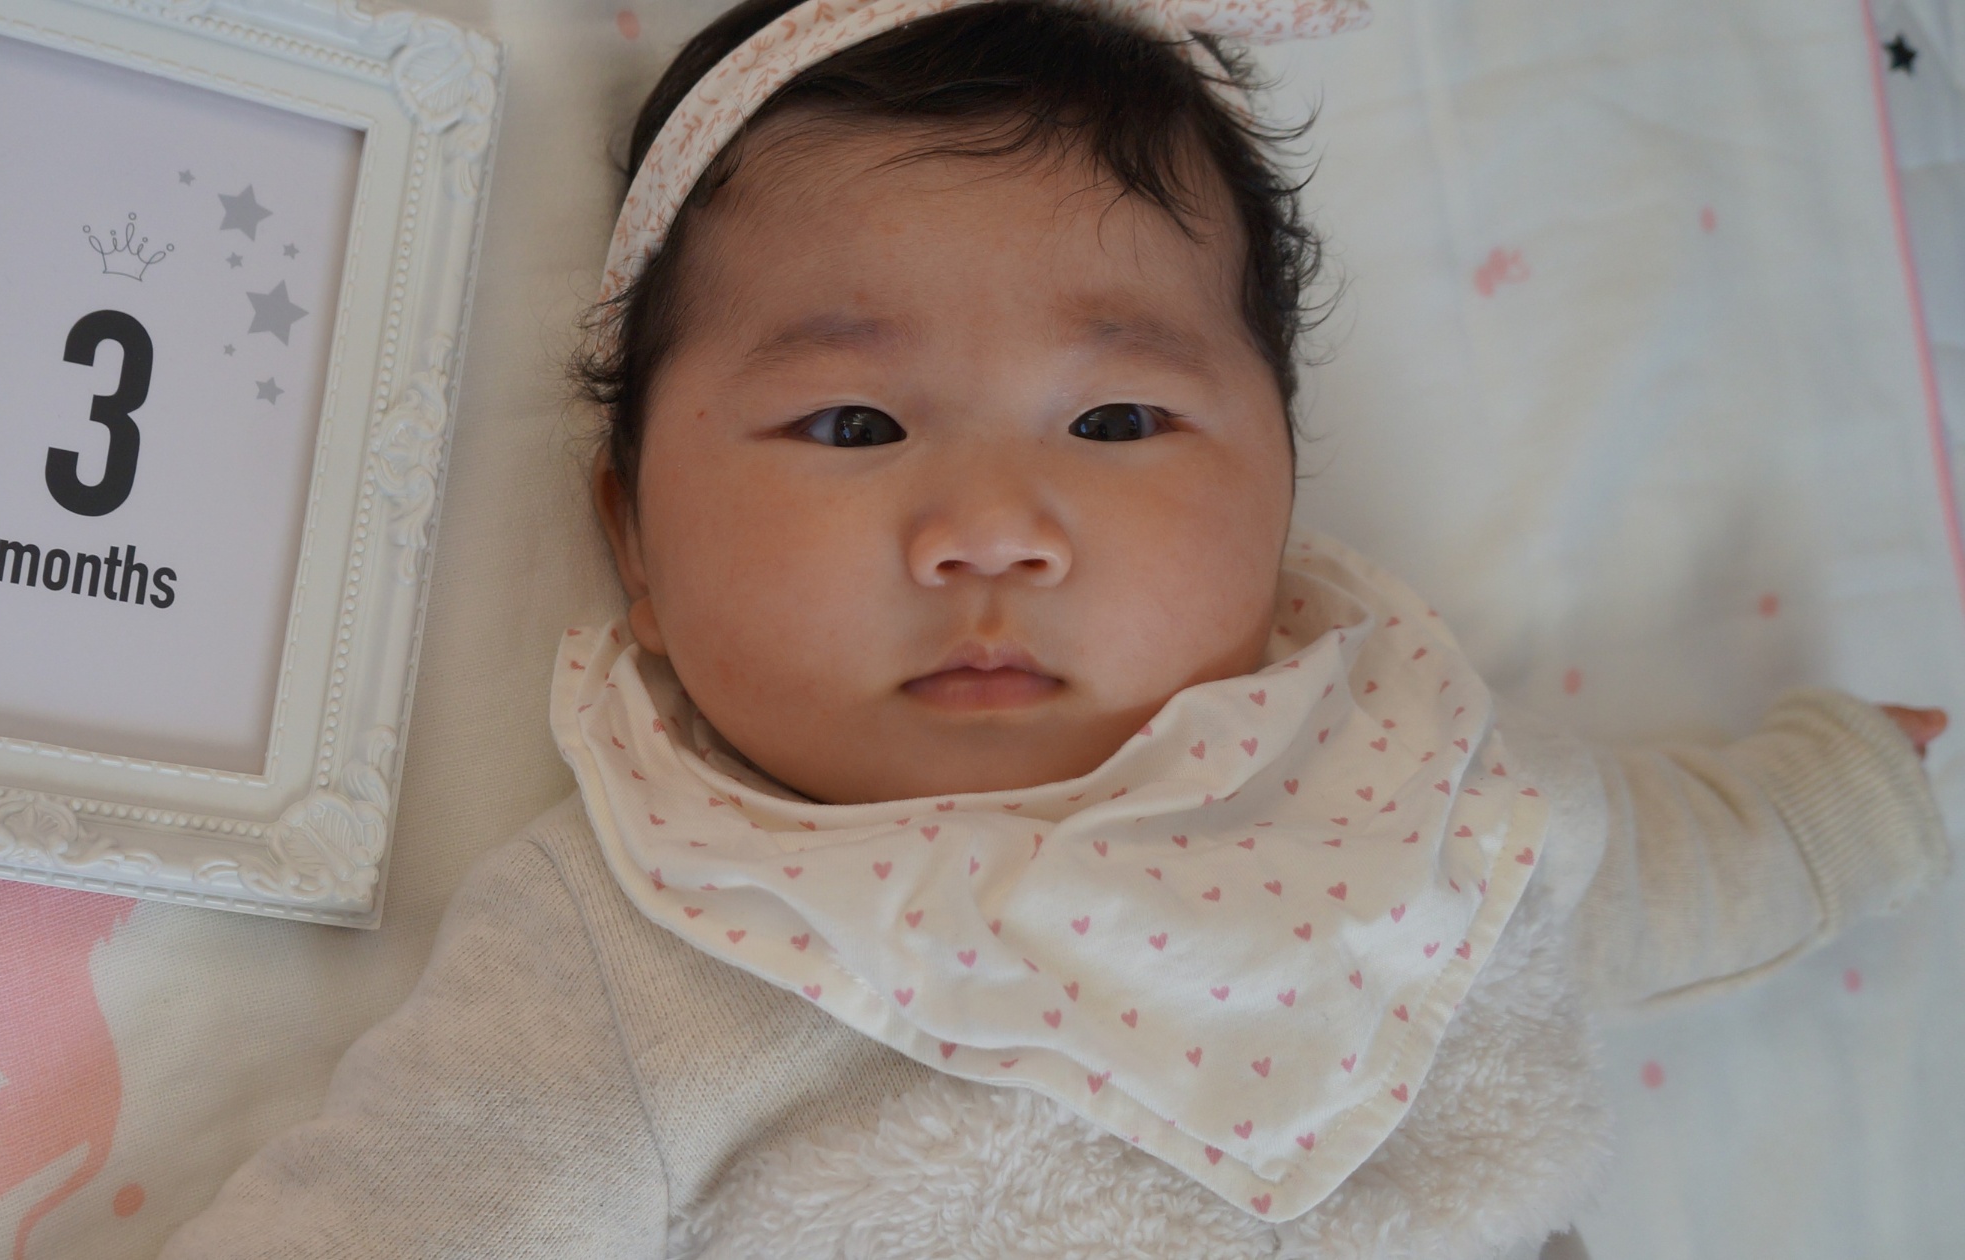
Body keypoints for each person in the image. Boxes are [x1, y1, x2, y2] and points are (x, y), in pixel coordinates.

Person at [160, 1, 1952, 1255]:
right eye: (852, 427)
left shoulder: (1397, 783)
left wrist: (1857, 791)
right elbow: (411, 1211)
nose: (990, 531)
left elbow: (1647, 866)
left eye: (1116, 423)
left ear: (1279, 493)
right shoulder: (650, 936)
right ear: (630, 531)